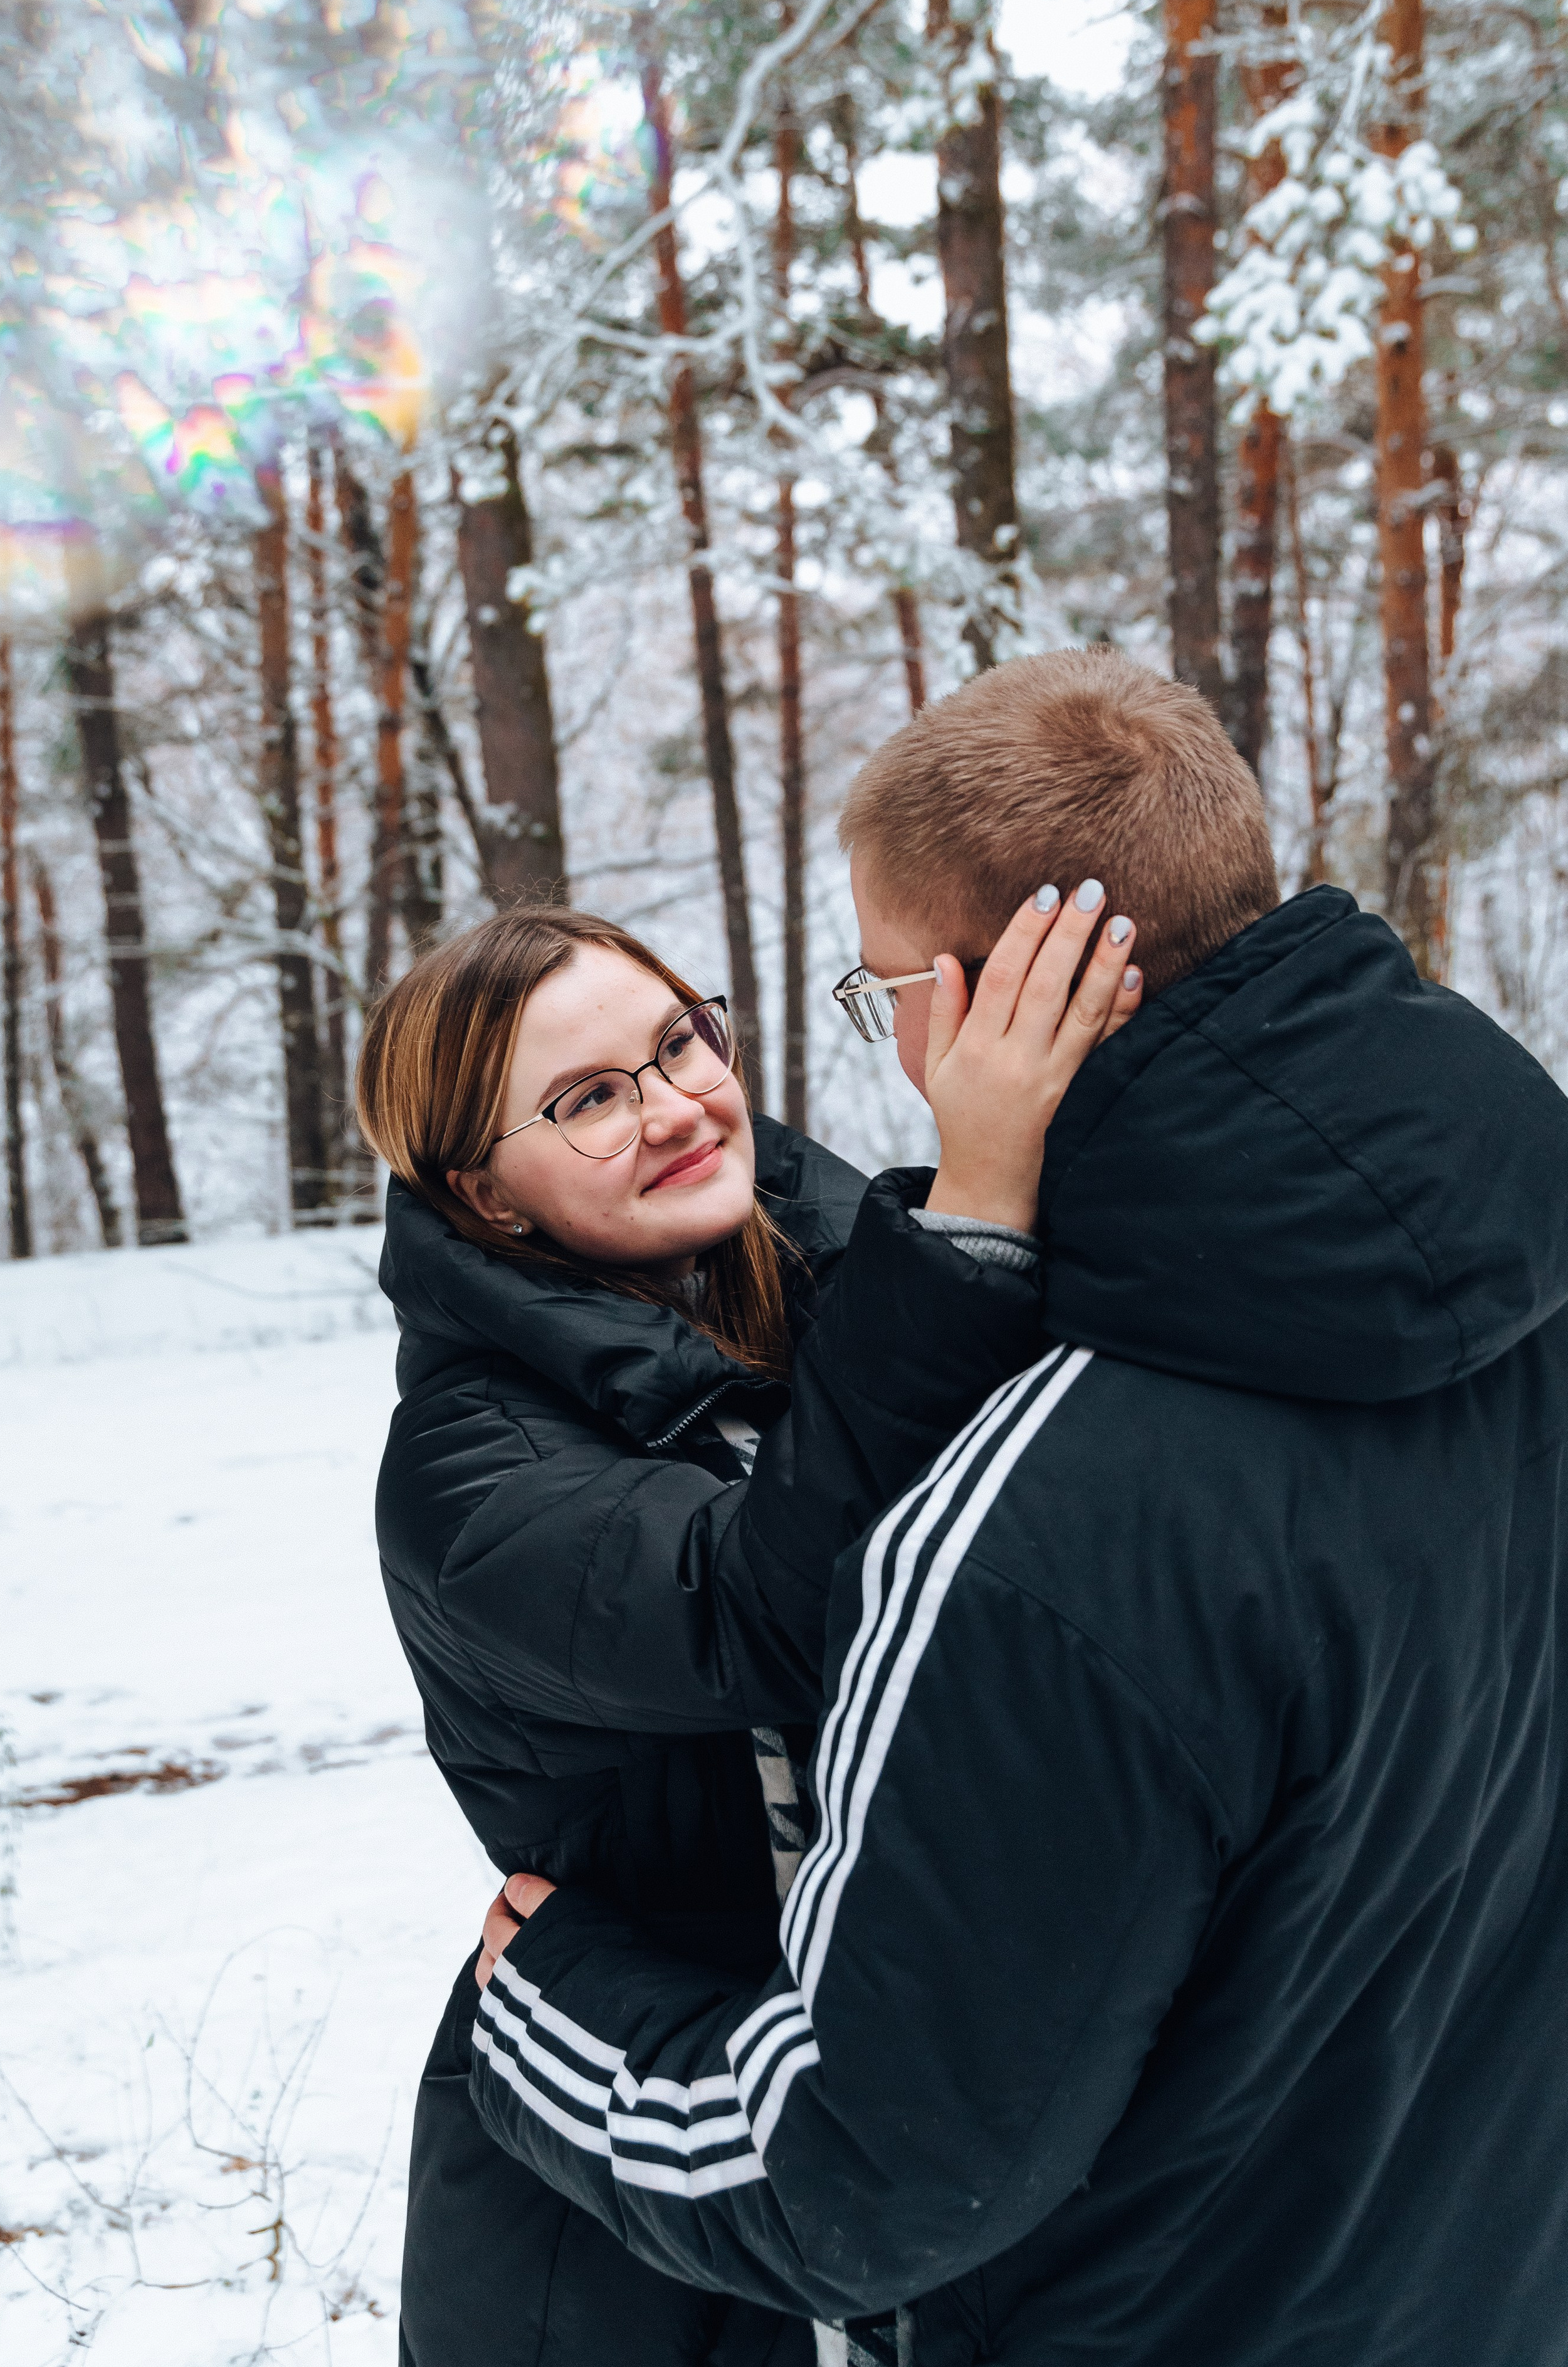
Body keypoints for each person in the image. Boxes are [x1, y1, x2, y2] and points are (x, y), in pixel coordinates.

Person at [465, 646, 1568, 2367]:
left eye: (881, 985)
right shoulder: (1529, 1284)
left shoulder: (1033, 1529)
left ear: (1005, 992)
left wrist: (553, 2008)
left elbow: (869, 2180)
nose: (886, 1032)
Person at [353, 894, 1141, 2367]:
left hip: (908, 2102)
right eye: (589, 1098)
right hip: (636, 2172)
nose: (672, 1108)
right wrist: (976, 1207)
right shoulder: (468, 1474)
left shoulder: (849, 1280)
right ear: (486, 1195)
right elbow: (774, 1609)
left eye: (679, 1043)